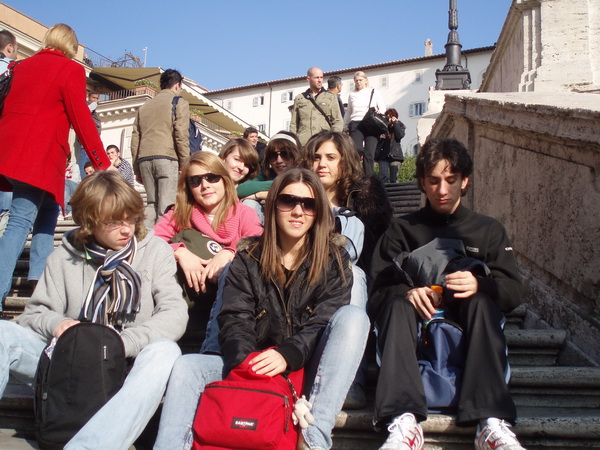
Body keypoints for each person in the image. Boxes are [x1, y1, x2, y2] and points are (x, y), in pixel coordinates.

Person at [154, 168, 370, 450]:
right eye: (288, 201)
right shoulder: (248, 257)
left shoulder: (334, 259)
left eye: (308, 204)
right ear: (273, 206)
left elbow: (323, 320)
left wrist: (287, 355)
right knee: (188, 366)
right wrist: (249, 364)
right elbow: (234, 317)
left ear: (318, 211)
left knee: (353, 318)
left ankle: (313, 439)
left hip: (306, 365)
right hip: (253, 362)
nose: (298, 211)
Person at [0, 171, 188, 449]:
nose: (126, 230)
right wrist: (57, 324)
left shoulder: (155, 251)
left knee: (166, 351)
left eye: (130, 219)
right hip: (71, 364)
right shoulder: (63, 257)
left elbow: (174, 313)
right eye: (114, 222)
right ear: (90, 221)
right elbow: (33, 314)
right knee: (2, 333)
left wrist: (123, 343)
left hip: (127, 366)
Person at [370, 139, 525, 450]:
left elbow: (513, 291)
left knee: (481, 301)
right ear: (422, 183)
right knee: (397, 303)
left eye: (451, 180)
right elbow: (376, 289)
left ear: (464, 181)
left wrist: (481, 285)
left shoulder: (488, 230)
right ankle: (402, 419)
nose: (442, 190)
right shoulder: (401, 229)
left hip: (470, 324)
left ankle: (490, 420)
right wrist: (408, 291)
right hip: (414, 327)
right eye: (434, 181)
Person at [0, 24, 112, 315]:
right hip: (37, 157)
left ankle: (38, 279)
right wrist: (102, 162)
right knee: (19, 222)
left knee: (49, 211)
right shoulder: (69, 69)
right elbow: (81, 118)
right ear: (71, 46)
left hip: (12, 152)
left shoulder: (21, 66)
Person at [153, 152, 262, 335]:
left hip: (232, 304)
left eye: (212, 177)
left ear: (224, 180)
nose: (205, 186)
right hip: (188, 304)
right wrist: (180, 252)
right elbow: (151, 241)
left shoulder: (245, 213)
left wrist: (229, 252)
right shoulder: (180, 213)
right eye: (195, 181)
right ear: (188, 188)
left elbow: (258, 243)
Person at [131, 69, 190, 228]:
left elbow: (135, 139)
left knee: (151, 204)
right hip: (166, 157)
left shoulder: (144, 106)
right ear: (177, 85)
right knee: (166, 207)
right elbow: (181, 135)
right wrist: (185, 163)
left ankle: (143, 238)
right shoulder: (178, 102)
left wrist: (137, 169)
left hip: (144, 159)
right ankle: (160, 241)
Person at [237, 130, 303, 223]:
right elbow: (241, 189)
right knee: (249, 203)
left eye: (285, 154)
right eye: (273, 155)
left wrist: (259, 195)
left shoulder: (304, 175)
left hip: (295, 223)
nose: (279, 160)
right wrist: (278, 186)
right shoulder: (268, 174)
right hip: (268, 224)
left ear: (295, 155)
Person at [343, 71, 386, 177]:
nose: (358, 82)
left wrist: (380, 112)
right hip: (356, 123)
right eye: (356, 81)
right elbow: (349, 112)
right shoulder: (352, 95)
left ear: (366, 80)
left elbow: (382, 107)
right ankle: (355, 176)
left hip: (371, 123)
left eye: (360, 80)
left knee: (369, 153)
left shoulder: (374, 91)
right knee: (357, 150)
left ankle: (368, 179)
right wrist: (345, 126)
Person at [290, 67, 343, 146]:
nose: (320, 80)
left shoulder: (330, 97)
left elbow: (338, 121)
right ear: (308, 79)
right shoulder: (300, 98)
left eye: (321, 77)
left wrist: (333, 140)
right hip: (304, 143)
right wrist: (293, 142)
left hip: (323, 142)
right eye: (316, 77)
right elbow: (294, 124)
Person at [76, 91, 102, 179]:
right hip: (85, 144)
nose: (95, 100)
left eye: (97, 98)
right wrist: (94, 104)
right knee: (84, 169)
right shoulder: (86, 106)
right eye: (93, 98)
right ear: (88, 97)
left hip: (92, 144)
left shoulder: (94, 110)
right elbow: (86, 112)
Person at [377, 108, 406, 184]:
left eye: (391, 116)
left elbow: (400, 135)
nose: (389, 119)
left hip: (395, 155)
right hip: (383, 154)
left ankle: (394, 192)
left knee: (394, 178)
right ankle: (384, 191)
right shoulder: (383, 127)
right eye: (387, 117)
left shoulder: (399, 125)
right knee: (383, 176)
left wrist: (395, 123)